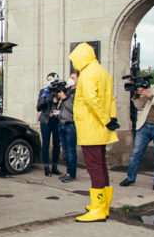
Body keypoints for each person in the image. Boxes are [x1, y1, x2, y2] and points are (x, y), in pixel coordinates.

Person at [69, 43, 119, 222]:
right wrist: (111, 118)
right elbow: (111, 99)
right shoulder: (102, 71)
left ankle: (98, 209)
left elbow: (91, 99)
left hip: (91, 126)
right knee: (101, 165)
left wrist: (106, 119)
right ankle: (103, 205)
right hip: (101, 127)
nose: (74, 64)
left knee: (94, 167)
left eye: (75, 60)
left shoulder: (88, 73)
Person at [54, 70, 79, 182]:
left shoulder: (78, 93)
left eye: (73, 78)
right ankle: (68, 172)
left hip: (70, 124)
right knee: (65, 150)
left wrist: (64, 98)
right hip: (62, 123)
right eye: (70, 77)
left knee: (71, 150)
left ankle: (71, 173)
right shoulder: (68, 91)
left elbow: (74, 109)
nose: (70, 80)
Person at [35, 72, 61, 176]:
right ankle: (46, 167)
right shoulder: (44, 91)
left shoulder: (60, 91)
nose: (50, 81)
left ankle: (55, 167)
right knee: (45, 144)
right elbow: (38, 107)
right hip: (46, 120)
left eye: (51, 79)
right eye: (48, 79)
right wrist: (47, 99)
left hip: (57, 120)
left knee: (57, 144)